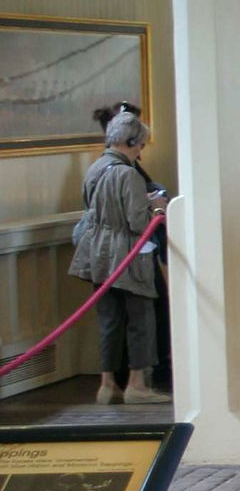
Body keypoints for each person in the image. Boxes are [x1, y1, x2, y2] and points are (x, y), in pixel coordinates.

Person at [70, 108, 169, 405]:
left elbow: (96, 208)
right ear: (129, 141)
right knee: (140, 318)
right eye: (139, 144)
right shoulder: (128, 174)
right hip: (127, 254)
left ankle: (107, 384)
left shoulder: (95, 167)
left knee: (110, 320)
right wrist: (157, 206)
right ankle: (138, 384)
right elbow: (137, 222)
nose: (140, 151)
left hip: (97, 252)